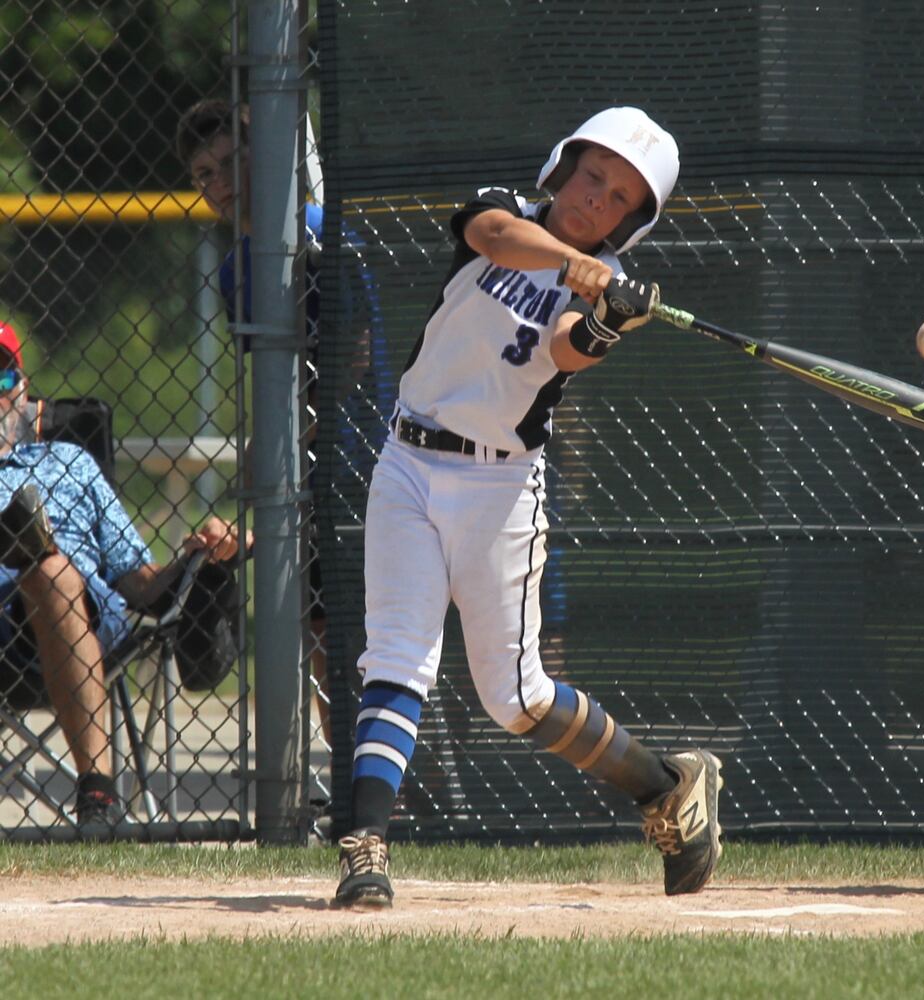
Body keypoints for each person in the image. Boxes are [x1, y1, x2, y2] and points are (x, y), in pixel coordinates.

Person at [332, 107, 723, 909]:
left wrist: (611, 315)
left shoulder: (602, 284)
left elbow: (564, 353)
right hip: (407, 460)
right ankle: (364, 848)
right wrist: (577, 262)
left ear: (632, 221)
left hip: (498, 487)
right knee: (396, 656)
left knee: (516, 699)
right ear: (562, 166)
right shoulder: (504, 208)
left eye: (617, 198)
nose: (595, 201)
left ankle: (663, 785)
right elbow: (494, 237)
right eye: (591, 177)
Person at [176, 98, 391, 744]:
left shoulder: (320, 232)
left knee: (372, 637)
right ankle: (361, 786)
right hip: (305, 465)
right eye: (201, 176)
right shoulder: (238, 265)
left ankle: (415, 787)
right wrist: (266, 449)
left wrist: (287, 443)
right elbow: (275, 382)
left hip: (362, 458)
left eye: (227, 163)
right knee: (322, 630)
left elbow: (349, 356)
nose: (216, 184)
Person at [0, 322, 245, 836]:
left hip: (93, 626)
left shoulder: (68, 462)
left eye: (0, 378)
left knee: (54, 572)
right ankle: (98, 795)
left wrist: (202, 553)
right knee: (49, 572)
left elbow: (139, 580)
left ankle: (96, 798)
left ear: (21, 390)